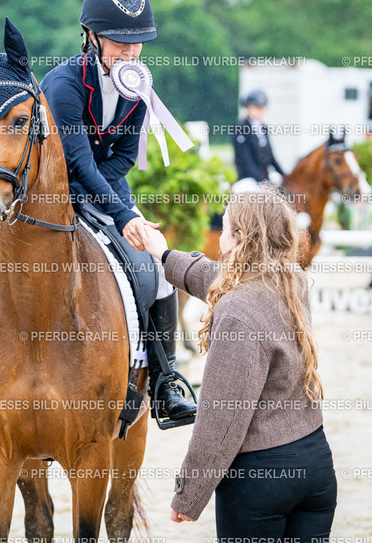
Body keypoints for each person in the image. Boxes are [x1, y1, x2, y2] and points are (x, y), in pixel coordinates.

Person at [0, 0, 197, 422]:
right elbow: (76, 159)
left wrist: (113, 206)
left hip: (106, 192)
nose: (129, 51)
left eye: (137, 42)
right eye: (118, 41)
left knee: (157, 271)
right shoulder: (64, 84)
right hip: (48, 194)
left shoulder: (139, 85)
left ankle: (165, 380)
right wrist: (113, 208)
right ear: (91, 37)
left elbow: (124, 157)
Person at [142, 185, 337, 538]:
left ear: (240, 236)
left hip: (260, 481)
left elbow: (222, 418)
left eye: (224, 227)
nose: (218, 238)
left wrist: (189, 493)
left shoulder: (236, 312)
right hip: (316, 467)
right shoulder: (292, 280)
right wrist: (164, 253)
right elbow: (218, 278)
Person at [232, 89, 284, 188]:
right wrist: (263, 182)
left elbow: (271, 158)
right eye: (257, 107)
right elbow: (247, 161)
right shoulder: (241, 128)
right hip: (248, 179)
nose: (261, 110)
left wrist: (285, 176)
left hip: (265, 177)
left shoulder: (263, 128)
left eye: (263, 107)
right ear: (248, 107)